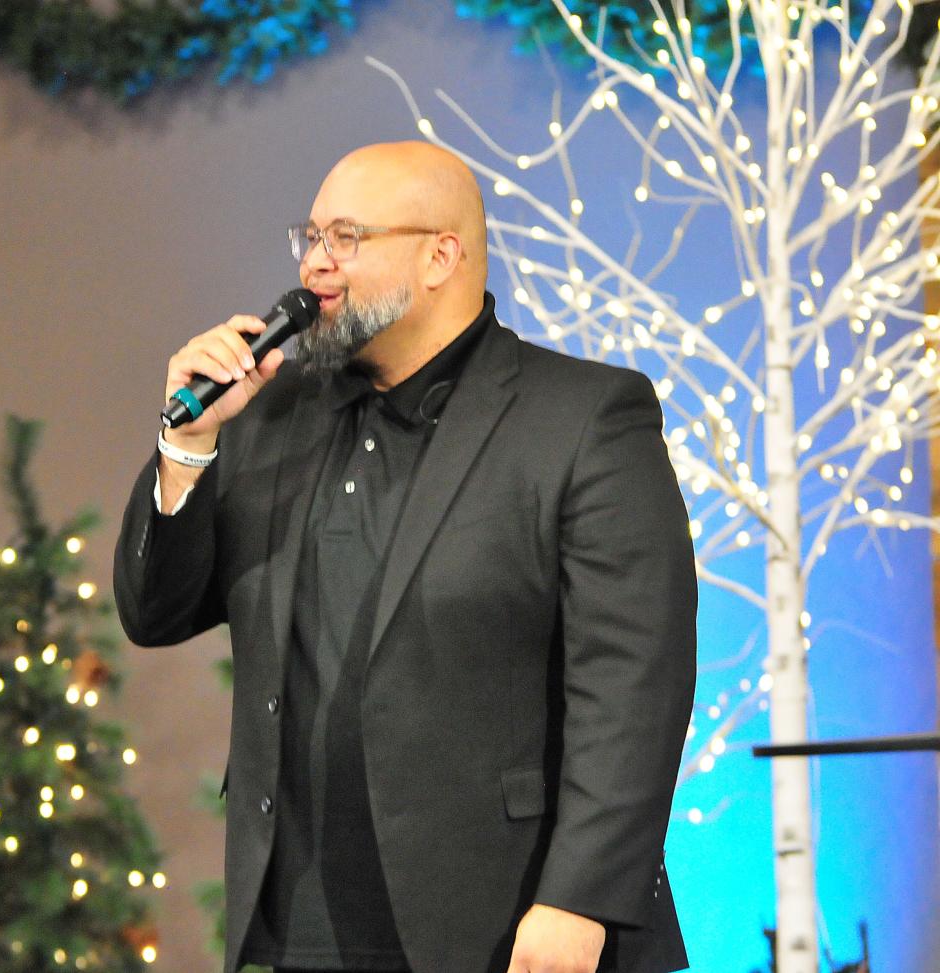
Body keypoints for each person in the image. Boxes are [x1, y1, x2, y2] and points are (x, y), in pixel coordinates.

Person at [114, 141, 697, 973]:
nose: (316, 264)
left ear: (440, 254)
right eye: (308, 238)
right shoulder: (272, 419)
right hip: (302, 926)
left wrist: (579, 900)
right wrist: (188, 443)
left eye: (345, 237)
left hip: (506, 922)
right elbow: (155, 611)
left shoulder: (583, 416)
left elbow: (636, 680)